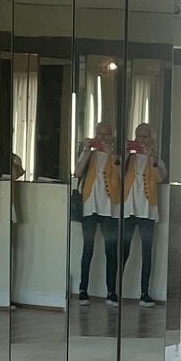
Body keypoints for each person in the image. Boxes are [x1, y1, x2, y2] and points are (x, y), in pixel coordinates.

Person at [70, 122, 124, 303]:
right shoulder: (89, 154)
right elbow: (77, 173)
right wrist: (86, 150)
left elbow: (123, 176)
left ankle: (111, 292)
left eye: (106, 134)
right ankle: (83, 289)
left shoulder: (117, 156)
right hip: (89, 206)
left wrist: (111, 155)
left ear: (113, 138)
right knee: (88, 249)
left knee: (111, 251)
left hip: (111, 208)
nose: (102, 138)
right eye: (99, 134)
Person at [121, 121, 168, 308]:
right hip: (128, 210)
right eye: (138, 136)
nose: (141, 140)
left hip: (148, 211)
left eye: (145, 137)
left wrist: (151, 159)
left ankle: (144, 293)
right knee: (123, 251)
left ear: (152, 139)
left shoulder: (156, 159)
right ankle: (115, 291)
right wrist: (124, 154)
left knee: (147, 253)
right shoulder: (128, 158)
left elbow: (159, 177)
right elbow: (117, 175)